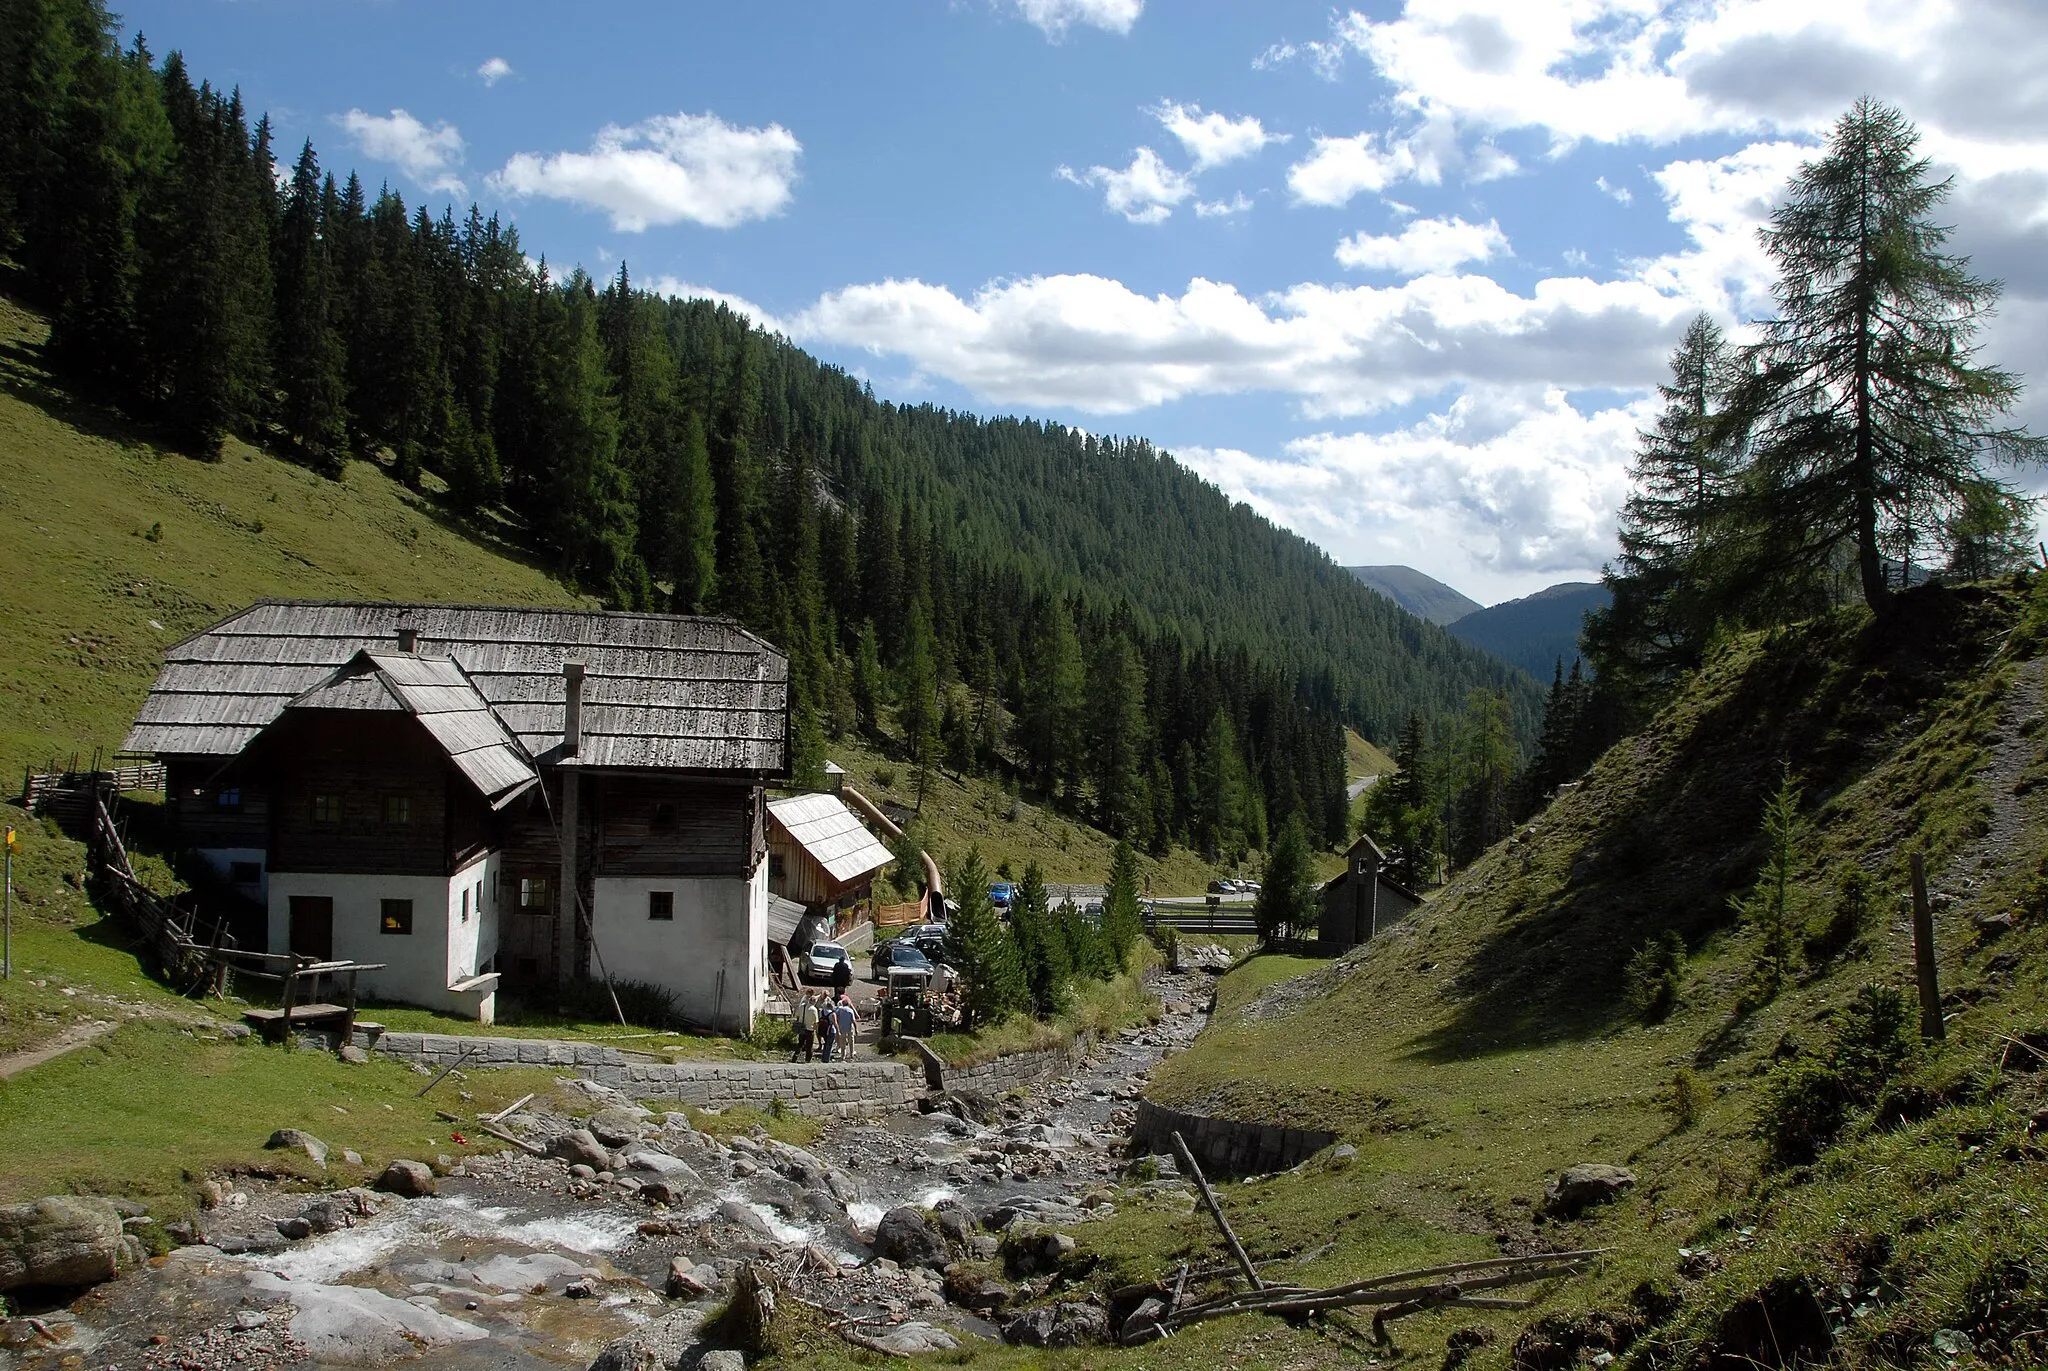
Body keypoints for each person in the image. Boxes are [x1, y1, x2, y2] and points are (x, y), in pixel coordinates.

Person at [792, 993, 819, 1062]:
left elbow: (797, 1015)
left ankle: (795, 1057)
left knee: (800, 1043)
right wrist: (815, 1030)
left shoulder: (802, 1006)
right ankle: (807, 1060)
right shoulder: (814, 1009)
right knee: (809, 1046)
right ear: (814, 1002)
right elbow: (816, 1022)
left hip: (801, 1028)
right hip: (810, 1029)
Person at [834, 994, 857, 1058]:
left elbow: (836, 1017)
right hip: (849, 1028)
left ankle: (843, 1055)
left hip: (841, 1028)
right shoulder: (850, 1010)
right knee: (851, 1041)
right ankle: (851, 1054)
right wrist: (856, 1029)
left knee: (842, 1042)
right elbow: (853, 1021)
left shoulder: (839, 1010)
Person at [817, 993, 838, 1062]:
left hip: (823, 1030)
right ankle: (826, 1059)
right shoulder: (832, 1014)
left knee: (826, 1044)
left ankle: (824, 1058)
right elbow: (835, 1023)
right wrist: (838, 1031)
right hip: (831, 1030)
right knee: (830, 1045)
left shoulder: (821, 1012)